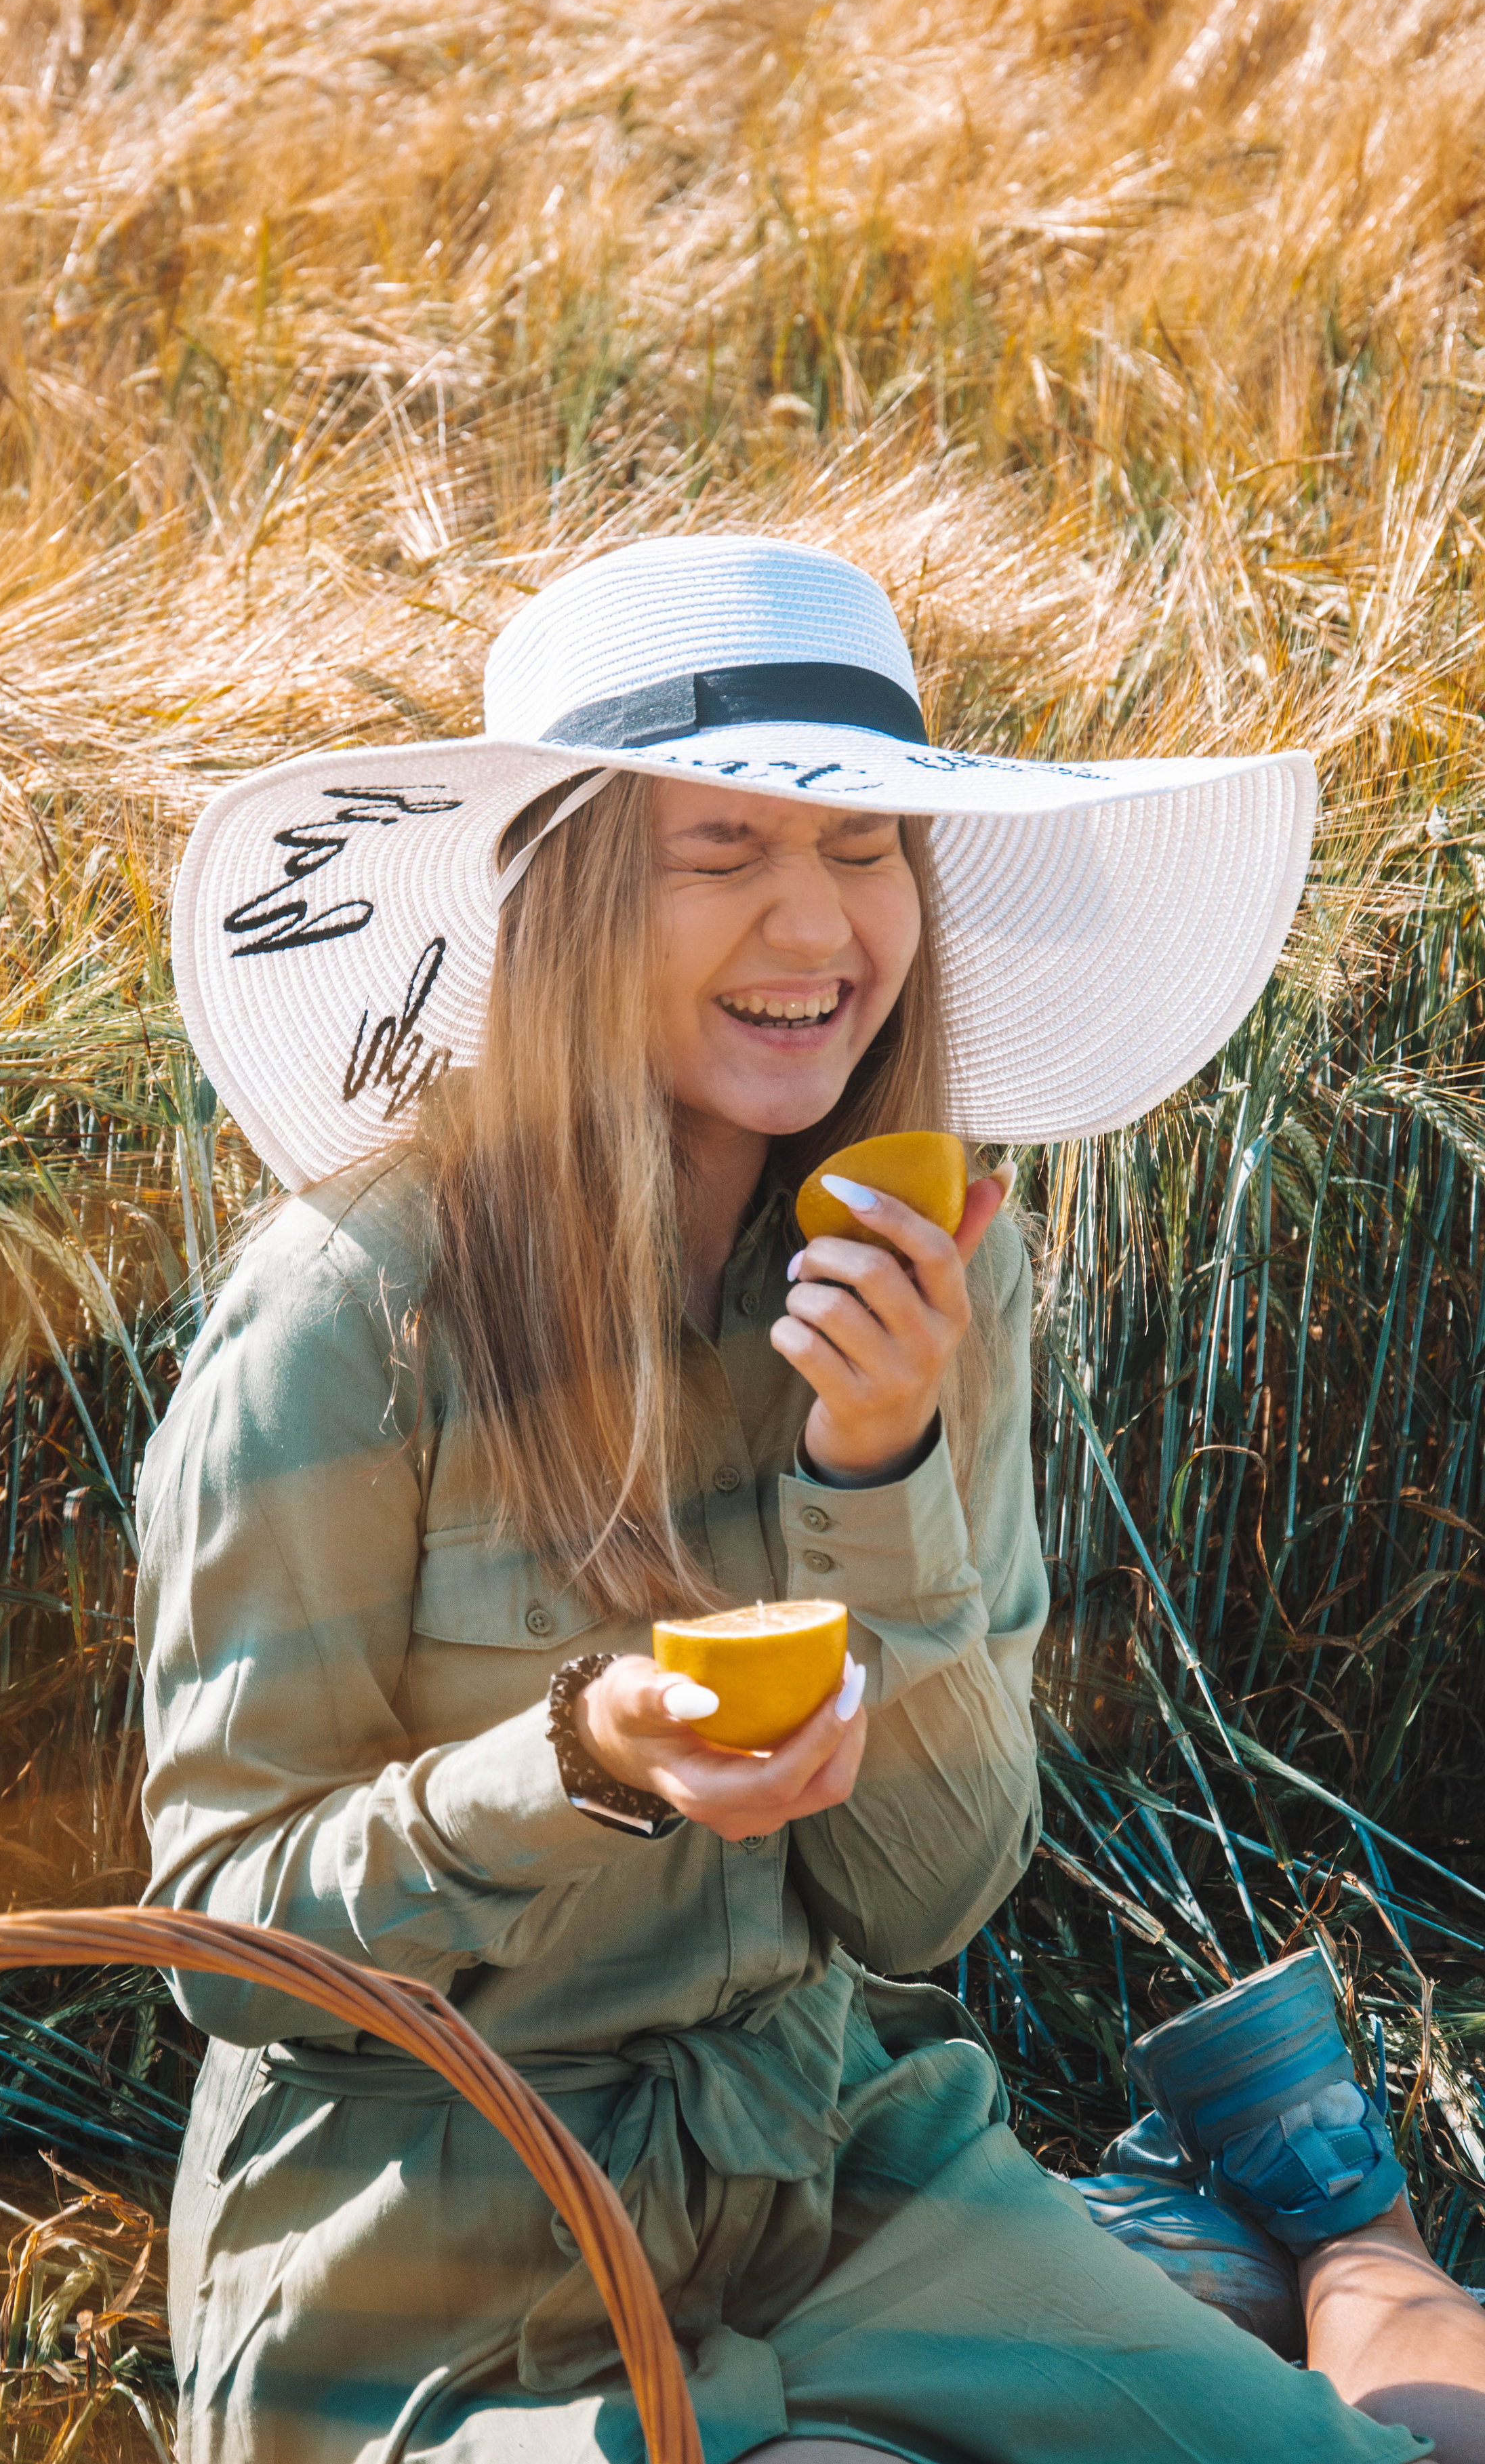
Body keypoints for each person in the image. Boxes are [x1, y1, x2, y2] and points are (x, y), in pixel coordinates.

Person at [137, 536, 1485, 2464]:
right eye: (725, 853)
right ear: (581, 895)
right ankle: (1217, 2202)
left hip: (828, 2169)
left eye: (864, 854)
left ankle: (1355, 2230)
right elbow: (218, 1944)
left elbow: (924, 1893)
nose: (817, 927)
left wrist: (885, 1461)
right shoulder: (354, 1308)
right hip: (435, 2262)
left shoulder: (936, 1270)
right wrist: (580, 1760)